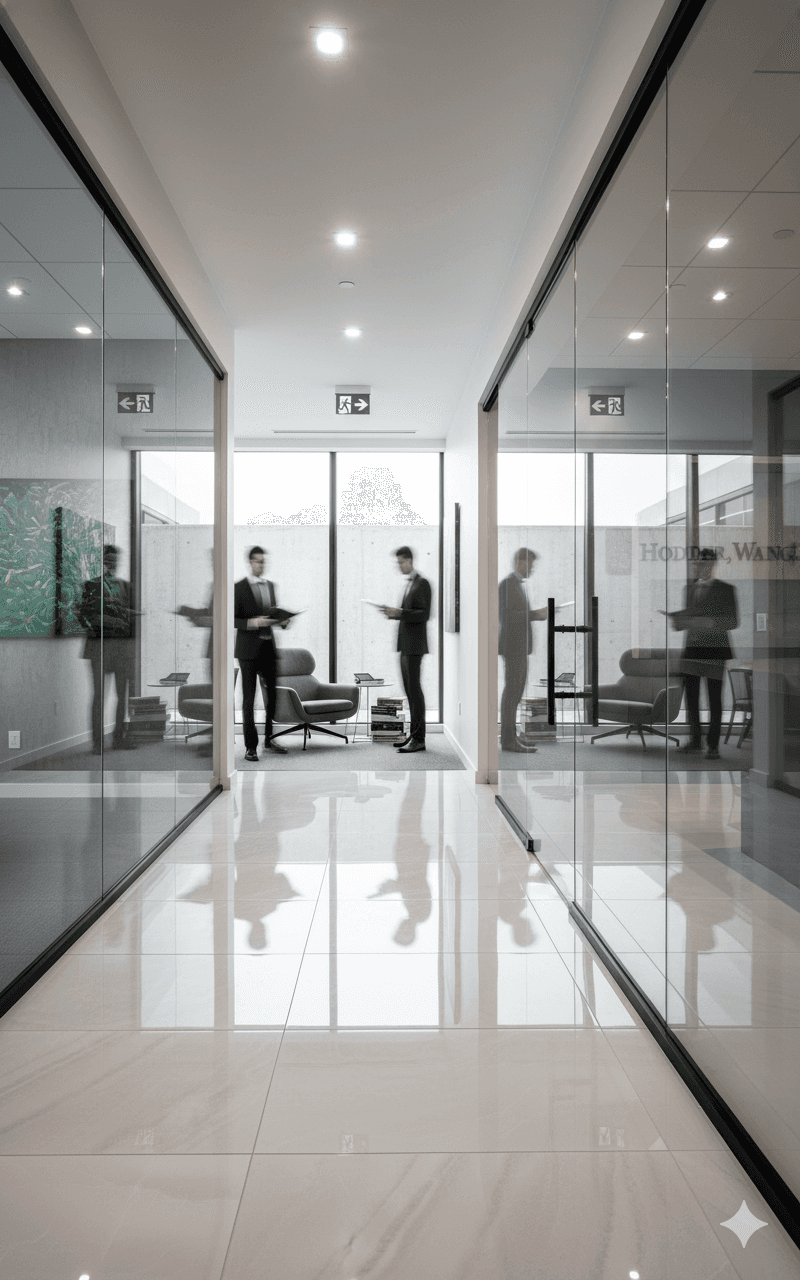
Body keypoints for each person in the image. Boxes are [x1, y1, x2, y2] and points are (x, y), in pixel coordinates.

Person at [670, 548, 739, 760]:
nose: (699, 567)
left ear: (713, 565)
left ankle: (713, 746)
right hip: (692, 650)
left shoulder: (726, 589)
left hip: (715, 651)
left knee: (714, 699)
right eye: (697, 563)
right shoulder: (689, 589)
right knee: (691, 699)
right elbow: (688, 619)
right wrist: (679, 622)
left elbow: (733, 621)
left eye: (703, 563)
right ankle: (696, 741)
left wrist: (708, 622)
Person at [78, 543, 135, 754]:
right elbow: (84, 617)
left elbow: (131, 619)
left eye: (115, 559)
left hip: (122, 649)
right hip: (99, 647)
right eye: (109, 559)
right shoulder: (91, 585)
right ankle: (97, 743)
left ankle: (119, 738)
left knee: (122, 695)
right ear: (103, 560)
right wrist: (111, 620)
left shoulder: (126, 587)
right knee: (99, 696)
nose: (112, 563)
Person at [234, 546, 288, 761]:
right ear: (250, 562)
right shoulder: (239, 587)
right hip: (247, 651)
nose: (261, 565)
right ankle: (251, 746)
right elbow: (232, 619)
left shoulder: (271, 586)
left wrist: (283, 621)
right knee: (249, 700)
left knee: (272, 697)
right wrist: (253, 622)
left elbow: (273, 614)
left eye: (263, 561)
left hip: (268, 650)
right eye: (258, 561)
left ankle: (269, 739)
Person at [380, 546, 432, 753]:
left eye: (401, 562)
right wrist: (394, 614)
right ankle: (413, 735)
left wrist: (399, 612)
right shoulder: (410, 583)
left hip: (415, 647)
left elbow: (424, 614)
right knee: (409, 692)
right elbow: (409, 613)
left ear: (410, 561)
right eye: (398, 563)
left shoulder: (422, 583)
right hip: (405, 646)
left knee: (415, 692)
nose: (399, 566)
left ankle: (419, 739)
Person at [498, 547, 548, 752]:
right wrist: (535, 614)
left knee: (515, 694)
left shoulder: (516, 585)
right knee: (512, 694)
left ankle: (511, 737)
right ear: (520, 562)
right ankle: (508, 741)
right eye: (530, 564)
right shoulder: (507, 585)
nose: (532, 568)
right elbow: (506, 616)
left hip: (519, 647)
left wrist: (535, 614)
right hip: (513, 647)